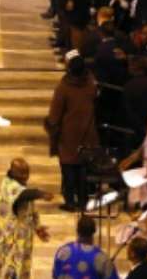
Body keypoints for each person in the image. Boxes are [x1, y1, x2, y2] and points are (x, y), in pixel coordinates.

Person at [45, 50, 99, 211]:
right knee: (83, 166)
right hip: (88, 130)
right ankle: (83, 200)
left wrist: (51, 126)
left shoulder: (64, 87)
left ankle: (70, 201)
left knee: (68, 166)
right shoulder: (91, 83)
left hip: (68, 133)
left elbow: (55, 114)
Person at [0, 158, 52, 279]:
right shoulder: (8, 186)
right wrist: (41, 193)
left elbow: (30, 209)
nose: (26, 177)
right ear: (14, 173)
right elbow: (25, 194)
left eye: (27, 174)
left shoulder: (20, 186)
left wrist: (38, 227)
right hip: (3, 240)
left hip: (19, 240)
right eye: (23, 175)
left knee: (20, 271)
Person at [51, 215, 118, 279]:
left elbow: (55, 275)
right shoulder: (102, 258)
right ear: (94, 231)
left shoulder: (62, 251)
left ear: (77, 230)